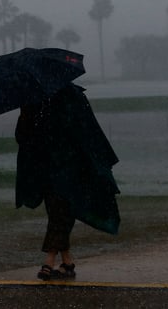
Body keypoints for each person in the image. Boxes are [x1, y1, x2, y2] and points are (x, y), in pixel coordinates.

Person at [15, 83, 120, 280]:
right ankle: (68, 263)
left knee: (59, 212)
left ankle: (49, 261)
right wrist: (24, 114)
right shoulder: (33, 101)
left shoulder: (70, 96)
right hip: (47, 169)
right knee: (59, 213)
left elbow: (84, 131)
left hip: (71, 168)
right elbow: (22, 137)